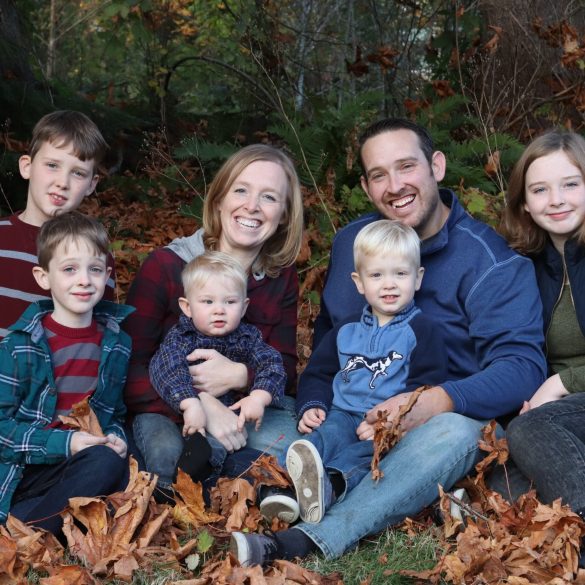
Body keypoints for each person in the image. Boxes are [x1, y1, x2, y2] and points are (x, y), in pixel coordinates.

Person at [230, 117, 547, 565]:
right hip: (349, 414)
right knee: (251, 414)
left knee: (453, 436)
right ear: (365, 185)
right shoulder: (352, 244)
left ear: (436, 166)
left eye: (406, 166)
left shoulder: (492, 263)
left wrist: (435, 401)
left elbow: (522, 367)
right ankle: (343, 480)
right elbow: (329, 342)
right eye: (379, 175)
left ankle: (311, 536)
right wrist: (315, 406)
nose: (395, 186)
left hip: (439, 426)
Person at [242, 220, 447, 533]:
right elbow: (319, 372)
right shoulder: (345, 330)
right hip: (342, 412)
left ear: (417, 278)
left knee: (362, 456)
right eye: (376, 275)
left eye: (400, 274)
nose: (389, 284)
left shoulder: (423, 331)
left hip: (385, 427)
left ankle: (328, 489)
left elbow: (425, 388)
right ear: (359, 282)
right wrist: (312, 404)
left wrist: (389, 423)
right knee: (321, 439)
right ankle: (279, 488)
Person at [124, 144, 304, 495]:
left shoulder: (279, 276)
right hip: (168, 409)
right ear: (219, 199)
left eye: (269, 197)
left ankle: (252, 480)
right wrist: (200, 404)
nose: (252, 206)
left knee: (301, 439)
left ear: (284, 214)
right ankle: (237, 477)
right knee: (164, 452)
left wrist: (240, 375)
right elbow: (128, 370)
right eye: (241, 190)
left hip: (244, 410)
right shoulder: (166, 266)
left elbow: (284, 367)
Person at [1, 212, 131, 535]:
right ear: (43, 277)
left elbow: (113, 412)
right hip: (24, 469)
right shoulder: (18, 346)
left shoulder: (117, 344)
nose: (84, 280)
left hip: (79, 465)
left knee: (124, 462)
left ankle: (37, 523)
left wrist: (116, 436)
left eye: (95, 269)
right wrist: (66, 442)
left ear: (107, 275)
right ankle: (39, 530)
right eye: (70, 269)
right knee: (106, 468)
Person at [496, 131, 585, 522]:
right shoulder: (522, 267)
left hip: (558, 407)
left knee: (528, 432)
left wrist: (558, 384)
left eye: (571, 184)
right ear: (525, 204)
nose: (556, 200)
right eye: (540, 190)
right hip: (562, 416)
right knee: (501, 474)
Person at [149, 251, 286, 479]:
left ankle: (207, 478)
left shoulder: (247, 338)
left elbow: (272, 364)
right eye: (208, 301)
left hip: (230, 418)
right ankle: (175, 483)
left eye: (230, 302)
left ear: (244, 307)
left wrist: (259, 397)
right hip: (180, 414)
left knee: (227, 449)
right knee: (162, 449)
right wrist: (190, 403)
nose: (219, 310)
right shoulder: (181, 337)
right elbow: (166, 369)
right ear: (187, 307)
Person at [0, 110, 116, 340]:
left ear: (92, 184)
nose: (63, 182)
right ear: (27, 166)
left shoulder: (95, 253)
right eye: (52, 165)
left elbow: (100, 333)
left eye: (78, 173)